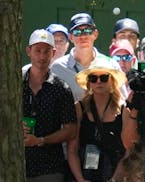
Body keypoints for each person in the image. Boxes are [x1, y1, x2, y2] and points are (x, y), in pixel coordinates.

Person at [67, 60, 139, 182]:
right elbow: (72, 149)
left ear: (112, 81)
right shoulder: (79, 108)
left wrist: (115, 179)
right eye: (93, 78)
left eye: (104, 77)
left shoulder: (124, 110)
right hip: (85, 174)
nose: (99, 81)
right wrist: (80, 179)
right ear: (89, 83)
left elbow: (129, 151)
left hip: (115, 174)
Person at [23, 29, 77, 182]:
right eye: (37, 50)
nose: (42, 56)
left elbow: (70, 130)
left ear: (53, 53)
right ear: (29, 51)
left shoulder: (62, 88)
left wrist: (41, 140)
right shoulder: (15, 85)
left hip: (49, 167)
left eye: (46, 51)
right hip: (15, 163)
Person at [51, 13, 122, 101]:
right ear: (70, 37)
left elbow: (121, 101)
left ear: (95, 34)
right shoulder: (58, 68)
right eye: (77, 32)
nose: (83, 36)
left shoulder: (111, 65)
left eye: (88, 31)